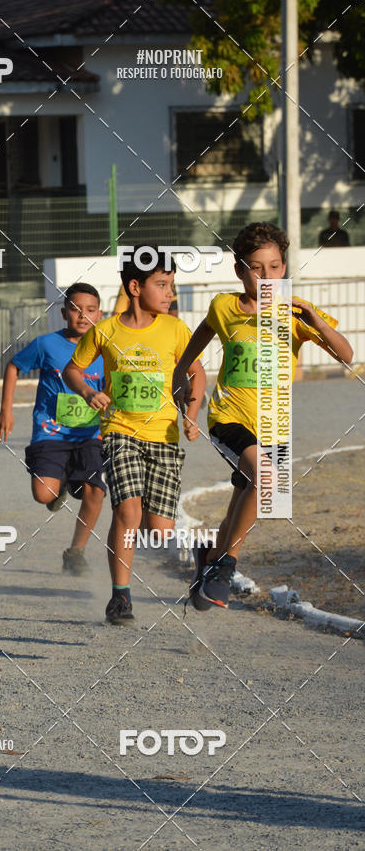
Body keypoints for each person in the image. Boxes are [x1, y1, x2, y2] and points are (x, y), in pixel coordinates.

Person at [172, 221, 353, 612]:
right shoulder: (224, 307)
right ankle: (226, 565)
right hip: (229, 417)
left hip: (273, 423)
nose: (266, 275)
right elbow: (201, 334)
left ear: (284, 268)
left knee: (248, 496)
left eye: (274, 266)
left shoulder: (296, 315)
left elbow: (347, 355)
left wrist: (313, 319)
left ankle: (211, 561)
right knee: (264, 476)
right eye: (256, 267)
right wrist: (180, 371)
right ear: (240, 270)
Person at [63, 252, 206, 624]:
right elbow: (72, 370)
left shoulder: (175, 330)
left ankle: (164, 548)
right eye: (162, 285)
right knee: (127, 510)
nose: (169, 293)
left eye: (171, 285)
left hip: (164, 436)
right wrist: (88, 392)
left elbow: (196, 373)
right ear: (135, 287)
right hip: (119, 432)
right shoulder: (105, 330)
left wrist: (191, 413)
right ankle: (120, 597)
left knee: (158, 533)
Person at [0, 283, 107, 575]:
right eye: (77, 310)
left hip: (90, 434)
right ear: (64, 312)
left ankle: (76, 551)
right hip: (51, 432)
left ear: (99, 313)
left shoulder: (106, 349)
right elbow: (14, 366)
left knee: (95, 490)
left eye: (90, 310)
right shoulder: (46, 344)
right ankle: (62, 480)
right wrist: (6, 410)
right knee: (43, 495)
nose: (83, 316)